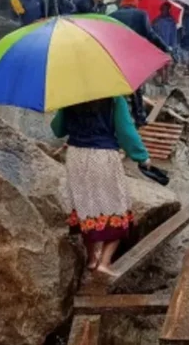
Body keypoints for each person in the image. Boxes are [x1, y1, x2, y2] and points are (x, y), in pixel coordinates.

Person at [51, 97, 151, 274]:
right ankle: (105, 263)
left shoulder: (69, 96)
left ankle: (91, 259)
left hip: (75, 157)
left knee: (85, 207)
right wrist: (141, 156)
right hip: (102, 156)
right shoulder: (114, 98)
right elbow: (126, 131)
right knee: (117, 208)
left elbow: (58, 130)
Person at [110, 0, 171, 127]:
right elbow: (150, 35)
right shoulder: (141, 15)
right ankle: (139, 119)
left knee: (118, 90)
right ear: (134, 4)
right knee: (135, 88)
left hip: (116, 58)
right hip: (133, 58)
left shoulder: (112, 16)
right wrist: (165, 47)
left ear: (123, 4)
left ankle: (117, 120)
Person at [152, 2, 178, 84]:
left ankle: (165, 79)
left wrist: (173, 45)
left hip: (167, 45)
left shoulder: (172, 21)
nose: (164, 11)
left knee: (167, 63)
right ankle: (160, 78)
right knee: (159, 63)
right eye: (163, 9)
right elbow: (152, 33)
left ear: (168, 10)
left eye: (166, 9)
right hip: (158, 45)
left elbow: (173, 34)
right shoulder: (156, 21)